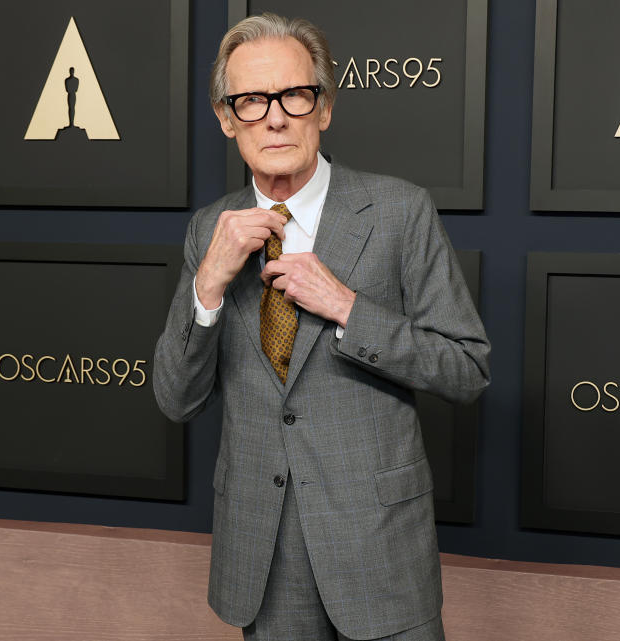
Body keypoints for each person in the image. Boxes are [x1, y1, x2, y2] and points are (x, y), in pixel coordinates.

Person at [153, 13, 489, 641]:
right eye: (252, 101)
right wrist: (209, 285)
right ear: (228, 121)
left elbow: (467, 368)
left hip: (380, 552)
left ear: (324, 109)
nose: (275, 118)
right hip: (265, 556)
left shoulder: (398, 211)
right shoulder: (210, 230)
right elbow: (176, 399)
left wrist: (349, 309)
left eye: (294, 96)